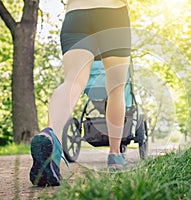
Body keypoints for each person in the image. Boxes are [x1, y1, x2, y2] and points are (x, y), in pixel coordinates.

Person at [29, 0, 131, 186]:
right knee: (116, 88)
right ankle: (115, 155)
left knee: (72, 82)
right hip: (113, 13)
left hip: (76, 15)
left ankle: (51, 137)